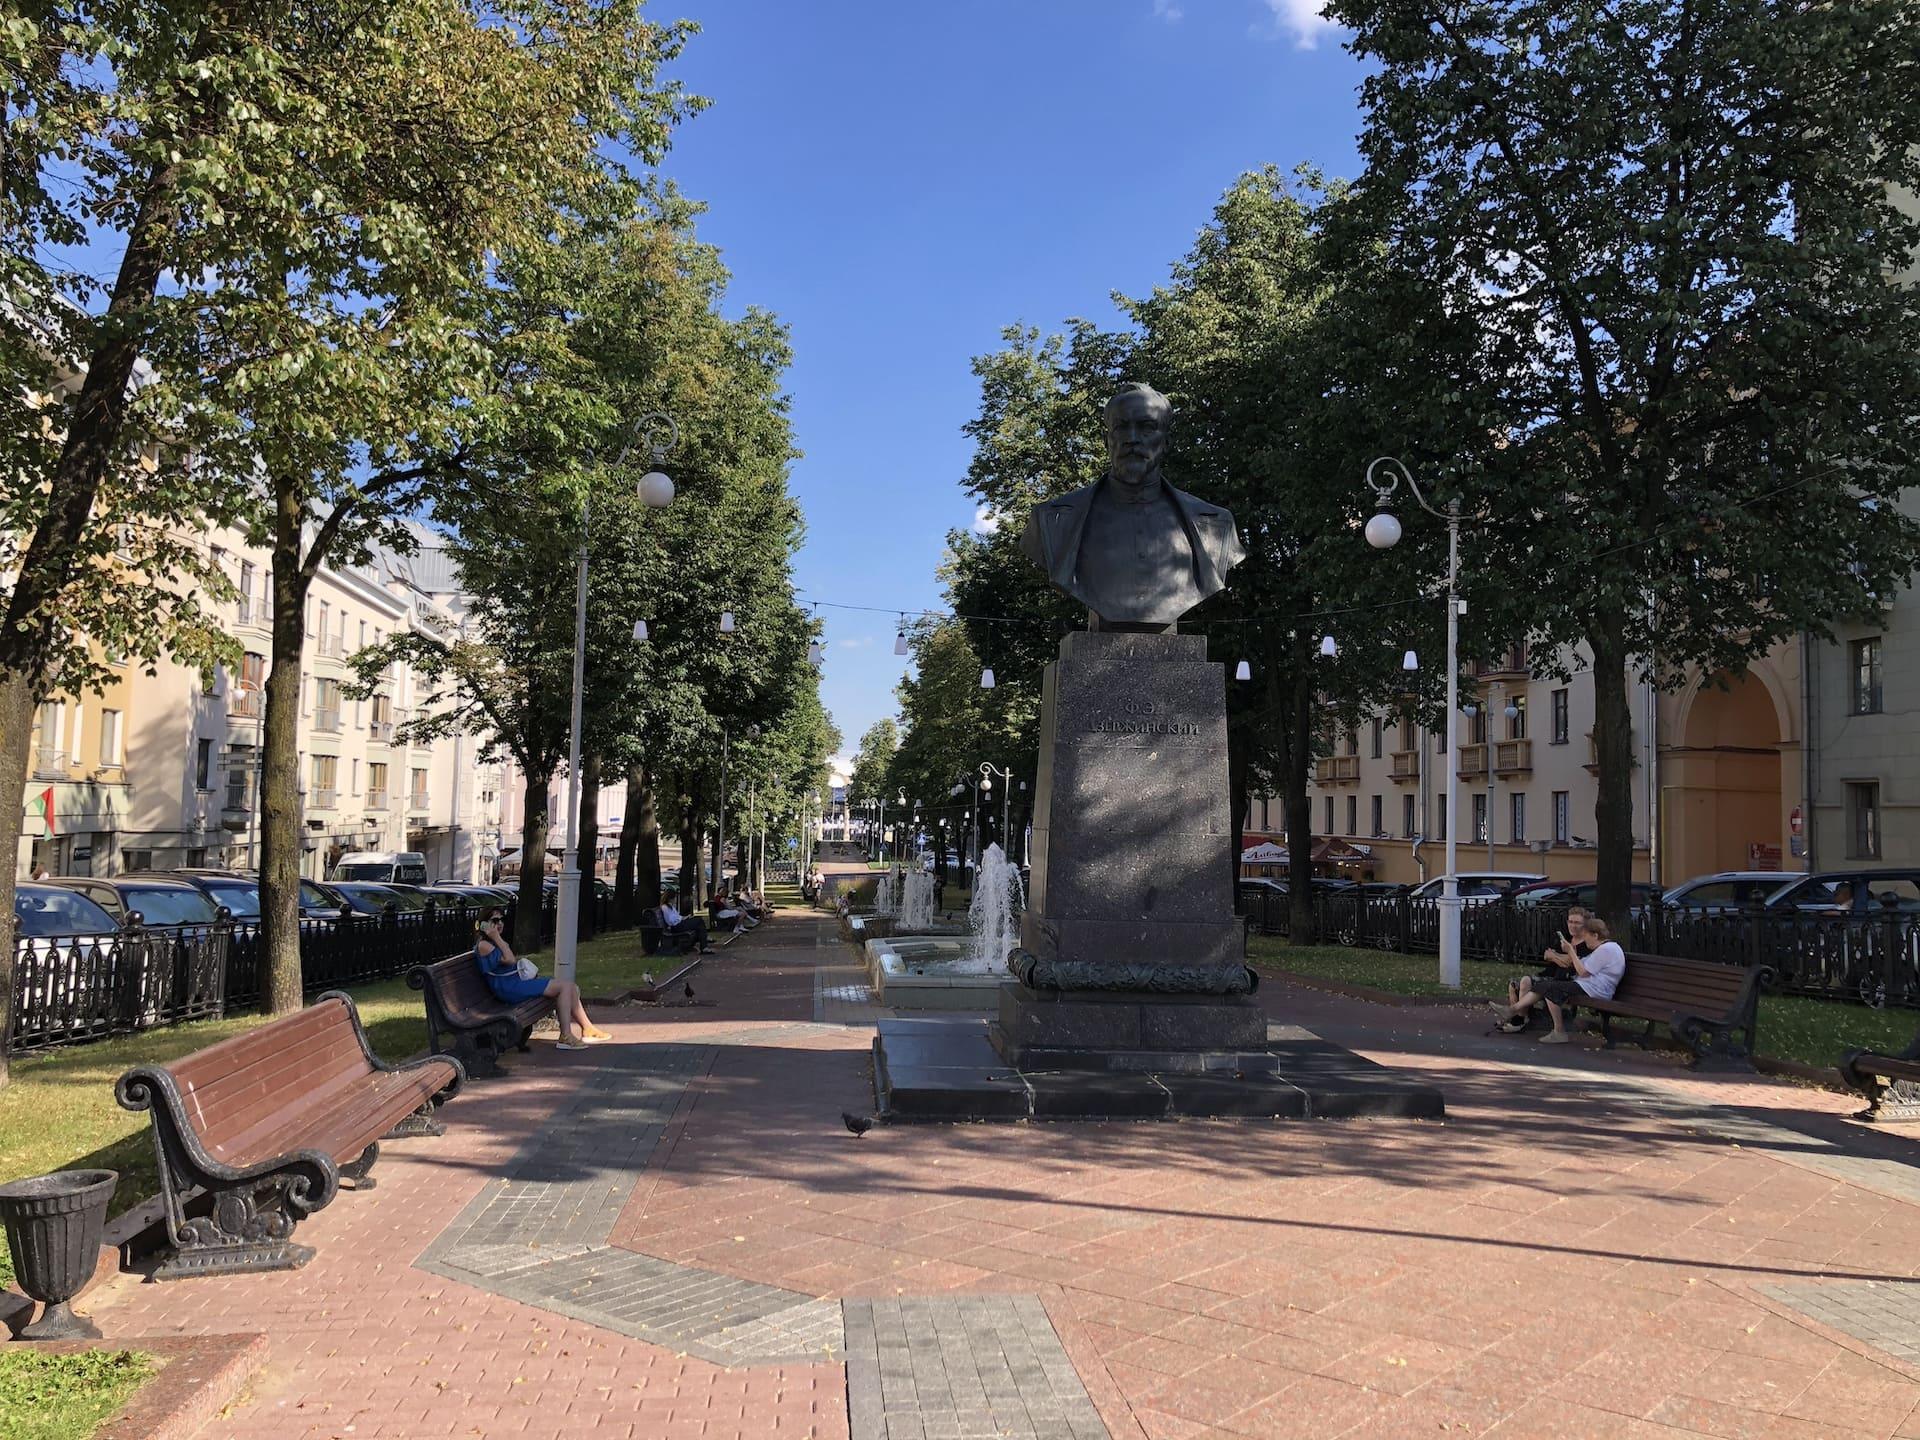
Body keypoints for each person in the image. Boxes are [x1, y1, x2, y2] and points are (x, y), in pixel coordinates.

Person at [472, 912, 608, 1051]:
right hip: (507, 988)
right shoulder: (484, 945)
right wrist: (496, 937)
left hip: (515, 983)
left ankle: (587, 1028)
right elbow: (511, 960)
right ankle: (565, 1036)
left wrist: (497, 938)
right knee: (565, 987)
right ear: (484, 924)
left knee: (570, 987)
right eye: (495, 920)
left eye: (502, 919)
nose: (499, 923)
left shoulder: (495, 942)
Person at [1490, 915, 1626, 1044]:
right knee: (1546, 986)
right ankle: (1514, 1010)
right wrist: (1567, 954)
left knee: (1551, 987)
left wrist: (1571, 952)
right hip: (1589, 986)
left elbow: (1583, 972)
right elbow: (1581, 965)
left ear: (1595, 935)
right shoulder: (1605, 948)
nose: (1585, 941)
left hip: (1595, 990)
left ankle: (1557, 1031)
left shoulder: (1607, 949)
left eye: (1586, 937)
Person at [1498, 907, 1595, 1034]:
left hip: (1563, 980)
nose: (1572, 925)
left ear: (1585, 924)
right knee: (1520, 982)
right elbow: (1546, 954)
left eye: (1577, 923)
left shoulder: (1587, 944)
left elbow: (1569, 963)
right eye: (1570, 922)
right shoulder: (1565, 938)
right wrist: (1559, 957)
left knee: (1529, 984)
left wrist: (1556, 956)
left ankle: (1517, 1020)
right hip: (1549, 974)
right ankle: (1520, 1018)